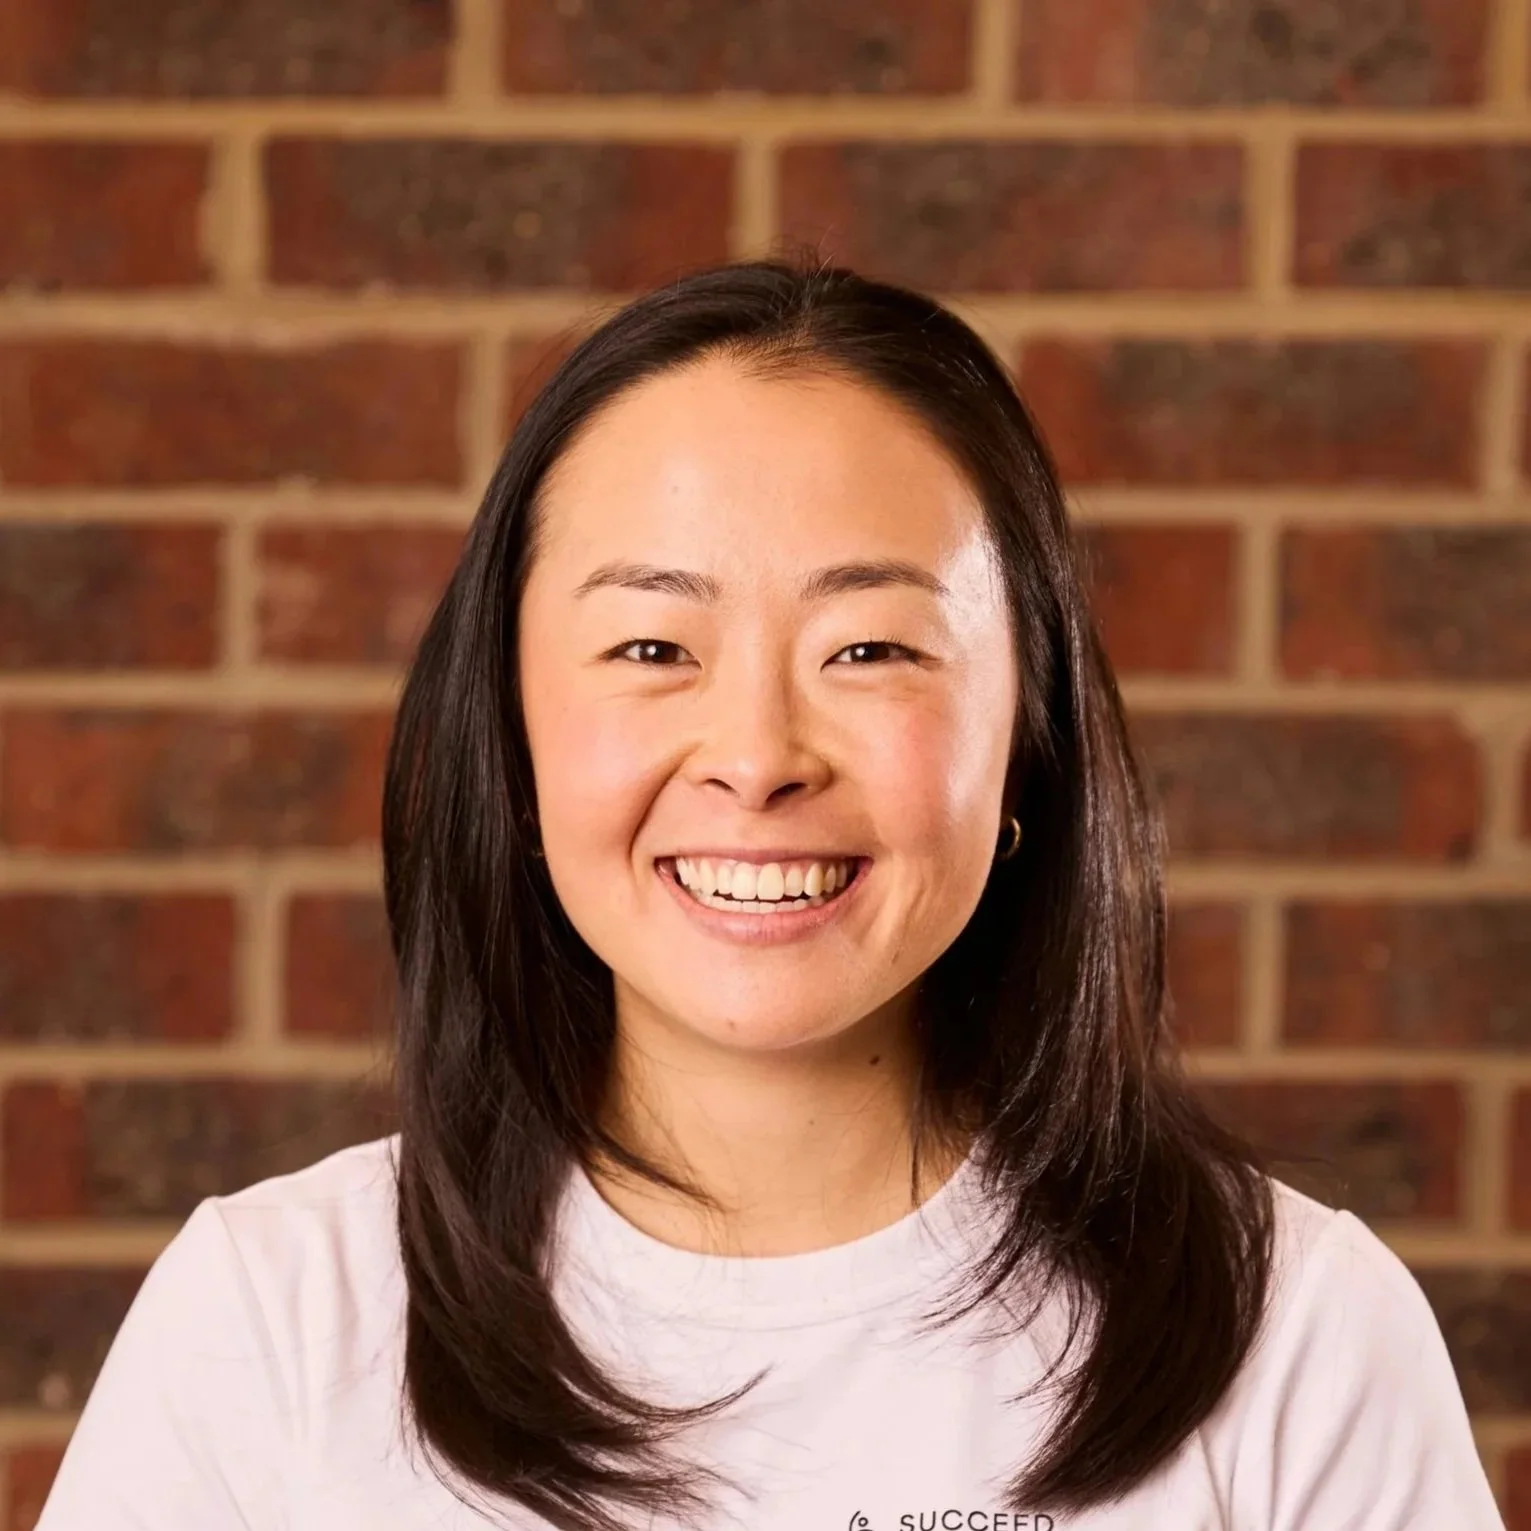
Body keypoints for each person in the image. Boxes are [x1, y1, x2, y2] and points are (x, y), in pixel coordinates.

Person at [35, 256, 1503, 1531]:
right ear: (511, 731)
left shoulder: (1289, 1325)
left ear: (1025, 740)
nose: (754, 758)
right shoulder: (277, 1317)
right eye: (651, 649)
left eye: (869, 650)